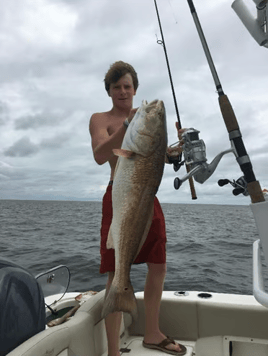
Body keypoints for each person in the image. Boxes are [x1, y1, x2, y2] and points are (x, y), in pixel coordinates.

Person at [89, 61, 186, 356]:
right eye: (116, 86)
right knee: (116, 270)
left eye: (127, 86)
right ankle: (114, 352)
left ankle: (153, 333)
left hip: (147, 197)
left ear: (134, 89)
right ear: (109, 91)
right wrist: (129, 127)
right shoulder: (100, 119)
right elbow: (100, 154)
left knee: (159, 264)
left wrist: (170, 153)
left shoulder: (143, 122)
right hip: (118, 199)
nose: (122, 91)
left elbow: (149, 157)